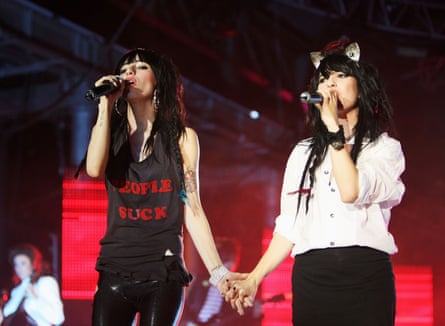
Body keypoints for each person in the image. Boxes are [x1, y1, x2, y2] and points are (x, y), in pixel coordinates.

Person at [225, 37, 406, 326]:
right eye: (324, 78)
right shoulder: (302, 153)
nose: (331, 84)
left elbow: (352, 190)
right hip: (312, 277)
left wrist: (333, 128)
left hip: (365, 276)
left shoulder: (384, 148)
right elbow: (289, 226)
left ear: (362, 86)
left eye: (340, 75)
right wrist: (254, 278)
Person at [76, 48, 240, 326]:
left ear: (158, 80)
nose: (130, 73)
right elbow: (93, 169)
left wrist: (218, 272)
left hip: (162, 269)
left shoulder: (181, 139)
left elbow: (193, 208)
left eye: (140, 67)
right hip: (115, 267)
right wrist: (104, 105)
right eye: (125, 68)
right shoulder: (108, 135)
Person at [181, 237, 263, 326]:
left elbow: (234, 316)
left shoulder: (233, 289)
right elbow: (185, 304)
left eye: (231, 263)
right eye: (227, 263)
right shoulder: (201, 280)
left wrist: (256, 314)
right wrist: (190, 322)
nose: (229, 267)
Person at [0, 243, 65, 326]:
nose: (19, 268)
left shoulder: (45, 283)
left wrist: (35, 298)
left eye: (23, 263)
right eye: (16, 264)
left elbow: (58, 318)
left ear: (33, 264)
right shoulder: (16, 291)